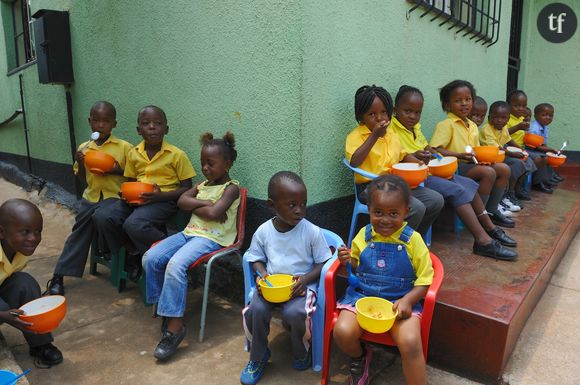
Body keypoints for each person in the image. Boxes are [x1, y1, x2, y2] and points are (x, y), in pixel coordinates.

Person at [142, 131, 240, 361]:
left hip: (212, 238)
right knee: (151, 257)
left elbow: (215, 212)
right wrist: (205, 203)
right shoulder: (202, 185)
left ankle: (175, 328)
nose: (205, 168)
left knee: (175, 264)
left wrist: (196, 205)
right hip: (189, 234)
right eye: (203, 163)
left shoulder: (232, 188)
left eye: (211, 163)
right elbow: (181, 201)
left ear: (227, 164)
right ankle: (165, 309)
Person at [390, 86, 516, 260]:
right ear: (395, 110)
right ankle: (483, 241)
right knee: (458, 189)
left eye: (417, 112)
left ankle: (490, 228)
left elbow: (427, 147)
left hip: (428, 171)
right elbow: (402, 156)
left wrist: (434, 156)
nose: (413, 116)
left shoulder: (415, 128)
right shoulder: (392, 130)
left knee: (469, 184)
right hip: (414, 178)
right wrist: (421, 156)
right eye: (408, 111)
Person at [334, 175, 432, 385]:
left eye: (393, 213)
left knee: (410, 342)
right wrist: (347, 260)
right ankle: (360, 358)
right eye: (378, 212)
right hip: (362, 298)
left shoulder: (413, 241)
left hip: (399, 302)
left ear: (406, 211)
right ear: (369, 209)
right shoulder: (364, 235)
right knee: (342, 332)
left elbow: (425, 280)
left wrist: (408, 300)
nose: (385, 220)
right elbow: (356, 266)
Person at [240, 172, 332, 385]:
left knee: (294, 313)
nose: (299, 210)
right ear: (272, 205)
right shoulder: (264, 231)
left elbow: (324, 263)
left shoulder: (311, 231)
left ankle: (302, 351)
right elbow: (254, 258)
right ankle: (258, 356)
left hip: (301, 287)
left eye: (303, 204)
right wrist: (262, 275)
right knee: (255, 310)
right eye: (292, 205)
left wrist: (305, 279)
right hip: (272, 286)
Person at [93, 106, 195, 280]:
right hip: (136, 199)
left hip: (163, 200)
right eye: (146, 123)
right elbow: (130, 182)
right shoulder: (134, 153)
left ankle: (170, 251)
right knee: (102, 216)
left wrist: (160, 196)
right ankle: (132, 253)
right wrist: (125, 194)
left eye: (158, 123)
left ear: (166, 129)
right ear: (139, 130)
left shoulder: (177, 155)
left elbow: (188, 188)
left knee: (133, 224)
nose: (152, 127)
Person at [47, 101, 132, 295]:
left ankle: (113, 252)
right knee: (79, 232)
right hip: (91, 196)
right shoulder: (84, 148)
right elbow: (84, 180)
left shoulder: (124, 147)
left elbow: (132, 175)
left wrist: (113, 169)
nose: (101, 125)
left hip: (115, 197)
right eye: (96, 121)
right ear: (90, 122)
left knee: (103, 217)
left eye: (106, 121)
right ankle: (58, 276)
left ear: (114, 124)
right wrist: (81, 163)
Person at [345, 85, 444, 238]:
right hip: (370, 188)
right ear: (361, 117)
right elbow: (354, 162)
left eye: (384, 112)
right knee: (416, 207)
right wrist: (374, 136)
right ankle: (392, 244)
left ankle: (412, 240)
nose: (380, 118)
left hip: (396, 184)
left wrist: (418, 164)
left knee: (435, 200)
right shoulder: (356, 136)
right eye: (372, 114)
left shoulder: (390, 133)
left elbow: (403, 155)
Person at [430, 80, 514, 228]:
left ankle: (492, 210)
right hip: (454, 168)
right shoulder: (446, 125)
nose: (464, 104)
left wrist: (482, 158)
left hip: (469, 165)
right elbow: (434, 149)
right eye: (458, 100)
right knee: (488, 173)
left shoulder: (473, 125)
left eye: (467, 99)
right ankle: (479, 216)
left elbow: (474, 150)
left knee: (504, 169)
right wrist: (459, 155)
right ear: (447, 105)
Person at [0, 199, 63, 367]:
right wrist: (3, 314)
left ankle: (40, 344)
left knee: (25, 283)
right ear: (2, 232)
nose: (33, 238)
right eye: (25, 232)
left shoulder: (19, 250)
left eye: (38, 231)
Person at [479, 101, 537, 212]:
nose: (500, 120)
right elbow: (496, 148)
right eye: (496, 117)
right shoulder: (487, 129)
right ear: (489, 117)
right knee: (516, 163)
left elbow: (508, 140)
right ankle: (503, 197)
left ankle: (510, 193)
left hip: (500, 156)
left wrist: (521, 149)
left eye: (503, 118)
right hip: (489, 158)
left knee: (522, 161)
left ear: (508, 118)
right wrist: (512, 153)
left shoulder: (503, 127)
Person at [506, 91, 552, 195]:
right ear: (509, 104)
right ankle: (515, 189)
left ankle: (529, 184)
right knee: (532, 160)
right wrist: (518, 127)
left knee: (541, 158)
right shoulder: (506, 117)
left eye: (523, 106)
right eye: (516, 106)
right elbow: (505, 136)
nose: (521, 109)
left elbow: (524, 135)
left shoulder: (522, 118)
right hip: (510, 148)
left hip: (522, 147)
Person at [529, 103, 564, 186]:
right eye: (544, 115)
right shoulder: (534, 128)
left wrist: (551, 151)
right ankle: (538, 182)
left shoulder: (544, 126)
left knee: (551, 156)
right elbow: (536, 146)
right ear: (536, 116)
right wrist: (551, 150)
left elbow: (543, 144)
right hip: (530, 149)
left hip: (537, 148)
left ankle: (549, 177)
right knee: (544, 157)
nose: (548, 117)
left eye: (550, 115)